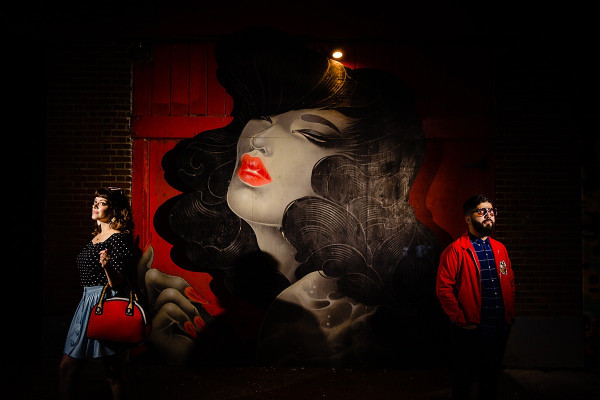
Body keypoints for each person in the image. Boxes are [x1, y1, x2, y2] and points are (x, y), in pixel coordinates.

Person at [144, 27, 441, 367]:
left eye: (310, 133)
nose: (260, 138)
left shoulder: (339, 311)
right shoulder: (286, 296)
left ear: (359, 171)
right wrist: (207, 344)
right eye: (262, 120)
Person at [436, 194, 515, 400]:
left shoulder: (500, 249)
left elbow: (510, 282)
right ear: (468, 218)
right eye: (482, 211)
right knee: (464, 380)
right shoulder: (455, 250)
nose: (489, 216)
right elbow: (443, 288)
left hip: (499, 325)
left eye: (491, 211)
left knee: (491, 380)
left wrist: (510, 314)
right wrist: (460, 318)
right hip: (471, 328)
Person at [59, 187, 134, 400]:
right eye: (94, 202)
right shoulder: (96, 238)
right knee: (67, 369)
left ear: (115, 209)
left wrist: (107, 266)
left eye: (101, 203)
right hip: (85, 305)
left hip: (106, 304)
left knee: (113, 374)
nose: (95, 206)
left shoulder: (118, 238)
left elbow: (117, 283)